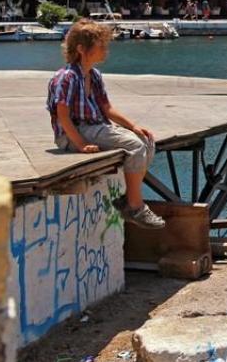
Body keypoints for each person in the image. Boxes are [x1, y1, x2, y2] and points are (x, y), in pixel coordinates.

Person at [46, 20, 164, 229]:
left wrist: (133, 126)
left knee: (146, 141)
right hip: (74, 133)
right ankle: (136, 206)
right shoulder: (66, 77)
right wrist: (81, 145)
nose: (105, 50)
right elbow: (63, 117)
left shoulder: (95, 75)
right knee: (135, 147)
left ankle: (128, 198)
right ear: (82, 49)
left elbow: (107, 109)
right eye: (100, 46)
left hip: (95, 127)